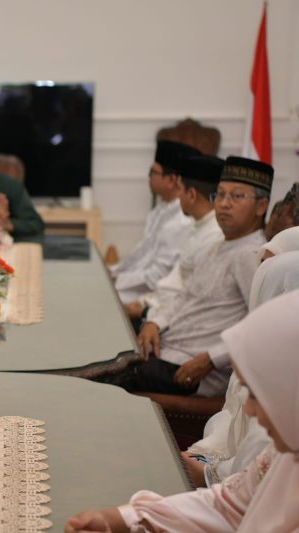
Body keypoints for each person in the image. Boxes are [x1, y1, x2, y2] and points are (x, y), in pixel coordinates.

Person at [65, 289, 299, 532]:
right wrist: (122, 519)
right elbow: (227, 507)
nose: (249, 410)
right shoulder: (286, 455)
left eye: (257, 394)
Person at [114, 156, 272, 396]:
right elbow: (183, 295)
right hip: (165, 349)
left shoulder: (251, 256)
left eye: (236, 196)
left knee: (102, 375)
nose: (224, 204)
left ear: (261, 206)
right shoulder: (217, 246)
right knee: (102, 353)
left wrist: (210, 359)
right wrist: (154, 321)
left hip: (189, 368)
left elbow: (262, 325)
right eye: (220, 194)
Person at [183, 240, 299, 487]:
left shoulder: (285, 379)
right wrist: (204, 457)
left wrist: (207, 471)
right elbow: (230, 419)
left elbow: (243, 490)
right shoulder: (259, 351)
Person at [124, 154, 224, 323]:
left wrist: (148, 312)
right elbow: (173, 281)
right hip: (157, 306)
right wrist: (146, 302)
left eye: (180, 189)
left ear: (191, 194)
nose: (178, 198)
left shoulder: (212, 235)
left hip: (173, 322)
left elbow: (191, 297)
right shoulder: (197, 226)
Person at [111, 140, 198, 304]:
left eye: (153, 172)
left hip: (151, 295)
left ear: (171, 180)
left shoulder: (182, 220)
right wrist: (113, 271)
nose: (149, 177)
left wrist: (117, 281)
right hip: (132, 285)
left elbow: (158, 275)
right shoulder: (160, 210)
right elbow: (140, 254)